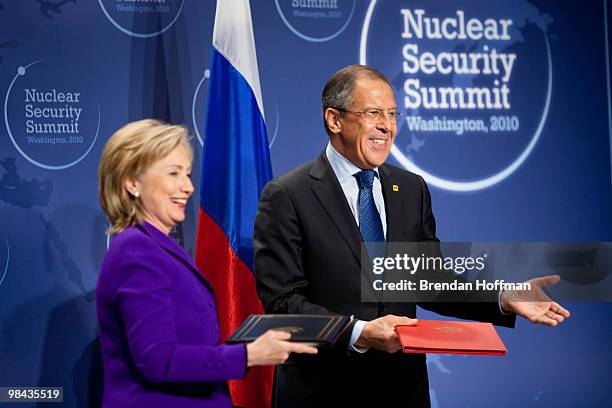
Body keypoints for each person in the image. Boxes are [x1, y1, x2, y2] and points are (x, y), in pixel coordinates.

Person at [253, 65, 570, 407]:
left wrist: (504, 297)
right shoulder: (288, 194)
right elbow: (282, 302)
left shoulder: (409, 188)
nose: (386, 126)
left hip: (402, 389)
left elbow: (428, 280)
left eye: (392, 114)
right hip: (324, 391)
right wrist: (359, 332)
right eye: (373, 113)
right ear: (334, 119)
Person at [96, 119, 317, 408]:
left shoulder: (154, 247)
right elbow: (157, 360)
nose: (187, 187)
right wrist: (248, 355)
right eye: (173, 173)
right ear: (132, 182)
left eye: (187, 174)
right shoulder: (138, 252)